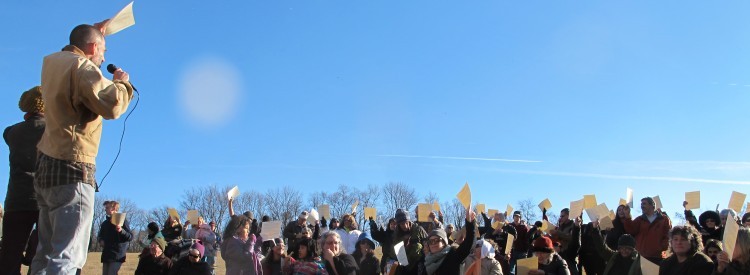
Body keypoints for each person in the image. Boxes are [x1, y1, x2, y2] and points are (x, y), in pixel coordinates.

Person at [31, 20, 135, 274]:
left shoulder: (53, 63)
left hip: (46, 164)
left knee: (44, 254)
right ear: (92, 47)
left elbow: (80, 44)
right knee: (67, 256)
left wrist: (94, 30)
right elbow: (111, 106)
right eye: (103, 50)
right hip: (72, 166)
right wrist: (121, 84)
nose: (103, 57)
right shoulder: (82, 67)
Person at [0, 86, 45, 275]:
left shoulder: (11, 132)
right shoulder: (52, 130)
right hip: (44, 198)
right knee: (45, 251)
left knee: (10, 253)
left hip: (16, 199)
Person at [423, 207, 476, 275]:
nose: (433, 244)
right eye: (430, 241)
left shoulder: (453, 254)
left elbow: (469, 242)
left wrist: (470, 223)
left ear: (444, 242)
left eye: (436, 240)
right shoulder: (427, 260)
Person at [619, 197, 671, 265]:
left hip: (658, 257)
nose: (642, 206)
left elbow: (668, 235)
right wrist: (627, 215)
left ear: (652, 205)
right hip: (641, 257)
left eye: (644, 204)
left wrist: (661, 247)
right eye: (641, 204)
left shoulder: (664, 219)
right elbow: (631, 230)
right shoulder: (639, 219)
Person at [98, 200, 133, 275]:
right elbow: (100, 235)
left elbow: (130, 237)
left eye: (107, 208)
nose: (105, 209)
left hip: (117, 254)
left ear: (114, 209)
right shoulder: (105, 223)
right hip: (106, 254)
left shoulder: (122, 221)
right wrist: (100, 240)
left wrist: (121, 230)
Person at [392, 208, 428, 275]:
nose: (405, 226)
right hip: (404, 267)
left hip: (419, 264)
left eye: (406, 223)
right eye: (402, 224)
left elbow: (428, 244)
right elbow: (394, 253)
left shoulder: (418, 229)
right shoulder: (396, 236)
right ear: (398, 224)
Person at [510, 210, 531, 275]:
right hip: (511, 252)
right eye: (515, 216)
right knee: (510, 270)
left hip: (522, 252)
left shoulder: (524, 227)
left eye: (518, 217)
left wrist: (527, 226)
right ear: (513, 217)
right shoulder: (509, 226)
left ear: (520, 218)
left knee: (521, 272)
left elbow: (528, 238)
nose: (517, 218)